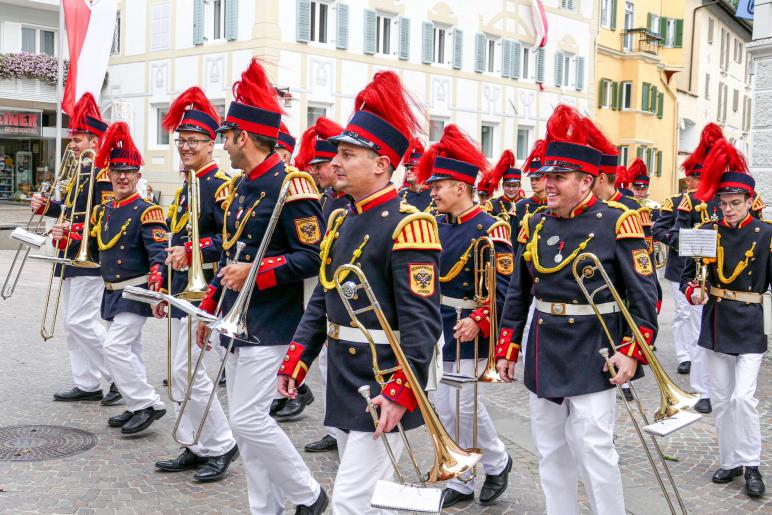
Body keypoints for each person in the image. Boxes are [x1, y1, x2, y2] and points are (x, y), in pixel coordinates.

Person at [277, 71, 442, 514]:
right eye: (337, 155)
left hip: (382, 380)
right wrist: (299, 356)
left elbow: (421, 323)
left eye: (347, 155)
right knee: (371, 502)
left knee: (350, 502)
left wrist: (401, 389)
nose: (335, 164)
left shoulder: (410, 227)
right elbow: (324, 297)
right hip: (346, 379)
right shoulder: (341, 219)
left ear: (381, 164)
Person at [495, 105, 658, 515]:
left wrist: (632, 350)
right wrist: (507, 346)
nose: (547, 184)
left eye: (558, 177)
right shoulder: (533, 224)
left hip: (595, 350)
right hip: (544, 349)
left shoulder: (618, 221)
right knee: (550, 451)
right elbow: (518, 292)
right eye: (546, 177)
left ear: (586, 180)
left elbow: (643, 297)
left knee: (595, 449)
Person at [195, 59, 327, 514]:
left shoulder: (293, 186)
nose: (223, 146)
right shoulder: (242, 186)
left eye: (226, 137)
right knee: (246, 423)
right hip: (236, 318)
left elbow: (313, 258)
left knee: (249, 419)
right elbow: (233, 252)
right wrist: (212, 307)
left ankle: (308, 495)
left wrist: (255, 272)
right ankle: (264, 508)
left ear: (243, 137)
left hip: (273, 323)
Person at [419, 124, 513, 508]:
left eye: (438, 185)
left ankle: (497, 462)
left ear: (460, 186)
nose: (432, 192)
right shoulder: (435, 225)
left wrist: (482, 318)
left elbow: (506, 286)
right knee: (445, 405)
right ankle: (461, 478)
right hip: (438, 324)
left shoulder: (492, 228)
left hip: (471, 328)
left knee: (465, 405)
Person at [149, 86, 239, 482]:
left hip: (209, 291)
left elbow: (232, 240)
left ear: (211, 144)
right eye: (181, 140)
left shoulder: (220, 185)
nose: (185, 147)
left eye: (193, 141)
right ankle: (196, 442)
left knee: (192, 370)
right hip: (183, 289)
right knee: (180, 370)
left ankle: (220, 444)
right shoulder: (187, 186)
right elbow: (175, 239)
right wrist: (163, 282)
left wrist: (194, 249)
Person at [680, 139, 768, 499]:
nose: (728, 209)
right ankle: (730, 459)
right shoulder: (704, 232)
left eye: (735, 203)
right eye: (724, 203)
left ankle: (752, 464)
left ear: (750, 202)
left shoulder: (767, 235)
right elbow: (687, 276)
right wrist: (693, 292)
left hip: (749, 324)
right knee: (720, 397)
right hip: (716, 322)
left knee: (743, 399)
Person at [32, 93, 121, 406]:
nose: (72, 144)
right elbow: (70, 211)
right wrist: (48, 208)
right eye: (72, 138)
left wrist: (75, 230)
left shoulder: (104, 172)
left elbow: (109, 219)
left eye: (78, 138)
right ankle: (87, 383)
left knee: (81, 322)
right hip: (70, 254)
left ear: (95, 140)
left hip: (91, 258)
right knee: (73, 326)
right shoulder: (80, 172)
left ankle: (120, 377)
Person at [83, 121, 168, 434]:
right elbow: (97, 249)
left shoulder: (148, 210)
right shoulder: (104, 211)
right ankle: (135, 404)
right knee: (130, 350)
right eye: (116, 170)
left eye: (128, 171)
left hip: (136, 292)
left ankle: (148, 403)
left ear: (137, 176)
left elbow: (158, 251)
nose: (121, 176)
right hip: (111, 291)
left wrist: (159, 282)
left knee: (115, 348)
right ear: (108, 174)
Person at [298, 116, 351, 454]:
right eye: (315, 164)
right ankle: (335, 428)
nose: (317, 170)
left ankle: (343, 428)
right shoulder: (327, 199)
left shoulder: (348, 201)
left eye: (322, 164)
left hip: (349, 295)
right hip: (325, 286)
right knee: (325, 364)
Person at [511, 140, 548, 239]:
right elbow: (513, 239)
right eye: (532, 179)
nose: (533, 182)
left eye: (537, 179)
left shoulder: (556, 205)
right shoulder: (519, 206)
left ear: (547, 178)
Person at [479, 150, 522, 222]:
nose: (511, 189)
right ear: (503, 186)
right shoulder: (493, 205)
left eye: (514, 186)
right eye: (508, 185)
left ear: (519, 186)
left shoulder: (526, 203)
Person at [398, 138, 433, 212]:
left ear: (423, 170)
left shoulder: (434, 195)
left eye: (412, 169)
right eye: (407, 169)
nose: (408, 172)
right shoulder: (401, 195)